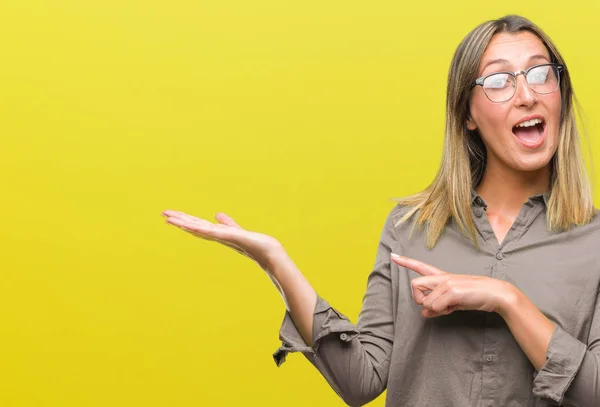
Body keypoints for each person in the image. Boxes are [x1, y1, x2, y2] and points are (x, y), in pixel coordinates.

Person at [162, 15, 600, 407]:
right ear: (467, 113)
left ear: (560, 92)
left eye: (542, 73)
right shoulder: (412, 229)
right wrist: (276, 262)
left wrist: (507, 300)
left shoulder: (593, 241)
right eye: (500, 81)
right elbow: (361, 380)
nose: (527, 94)